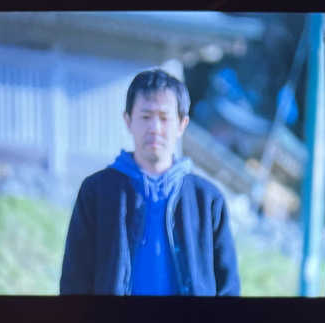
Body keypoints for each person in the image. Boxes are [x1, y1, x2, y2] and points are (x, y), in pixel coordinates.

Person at [59, 69, 240, 296]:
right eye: (146, 117)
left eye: (164, 118)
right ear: (128, 120)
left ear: (182, 124)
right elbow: (74, 282)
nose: (155, 128)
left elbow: (228, 288)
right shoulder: (97, 192)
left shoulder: (208, 199)